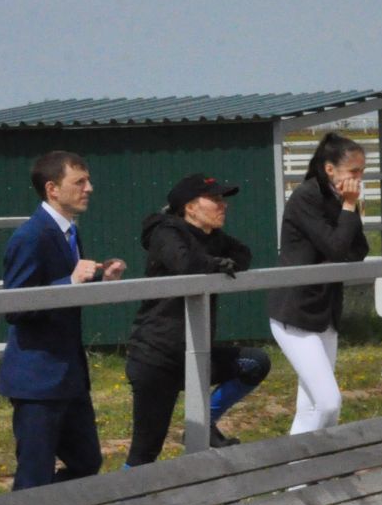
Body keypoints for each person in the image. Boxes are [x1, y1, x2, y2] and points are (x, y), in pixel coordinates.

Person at [0, 151, 126, 489]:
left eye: (88, 180)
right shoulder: (30, 236)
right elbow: (16, 307)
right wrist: (68, 281)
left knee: (87, 461)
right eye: (79, 182)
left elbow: (64, 293)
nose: (89, 188)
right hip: (38, 378)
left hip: (68, 374)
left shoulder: (68, 232)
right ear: (52, 188)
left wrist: (97, 280)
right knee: (34, 473)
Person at [123, 175, 270, 466]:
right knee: (145, 452)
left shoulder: (212, 237)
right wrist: (217, 264)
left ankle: (205, 425)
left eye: (222, 199)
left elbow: (243, 253)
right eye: (214, 199)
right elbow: (185, 264)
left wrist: (222, 262)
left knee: (255, 363)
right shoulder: (165, 232)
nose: (223, 205)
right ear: (190, 208)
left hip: (196, 354)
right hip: (157, 358)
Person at [267, 132, 369, 433]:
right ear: (329, 169)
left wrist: (347, 209)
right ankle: (301, 473)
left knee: (313, 407)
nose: (359, 178)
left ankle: (301, 477)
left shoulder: (338, 199)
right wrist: (349, 207)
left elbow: (358, 249)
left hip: (325, 311)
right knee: (327, 402)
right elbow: (337, 249)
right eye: (354, 171)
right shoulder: (305, 197)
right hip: (295, 311)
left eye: (362, 172)